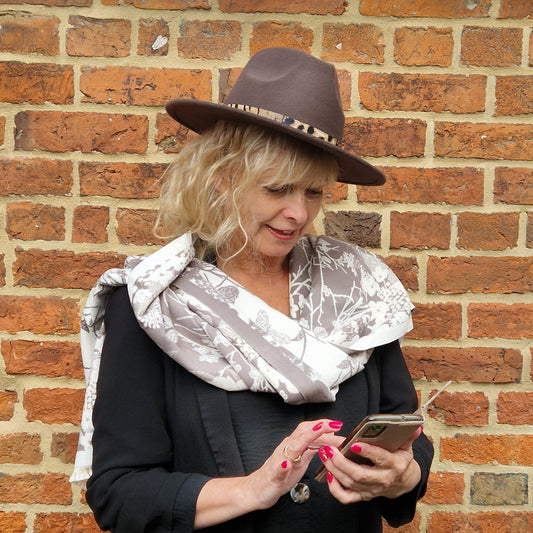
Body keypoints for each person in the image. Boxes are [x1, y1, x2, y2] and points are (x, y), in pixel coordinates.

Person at [71, 47, 433, 532]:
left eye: (314, 191)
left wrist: (403, 476)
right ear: (223, 177)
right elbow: (118, 493)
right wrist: (253, 489)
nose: (299, 214)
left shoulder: (358, 292)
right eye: (278, 188)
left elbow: (403, 432)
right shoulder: (152, 305)